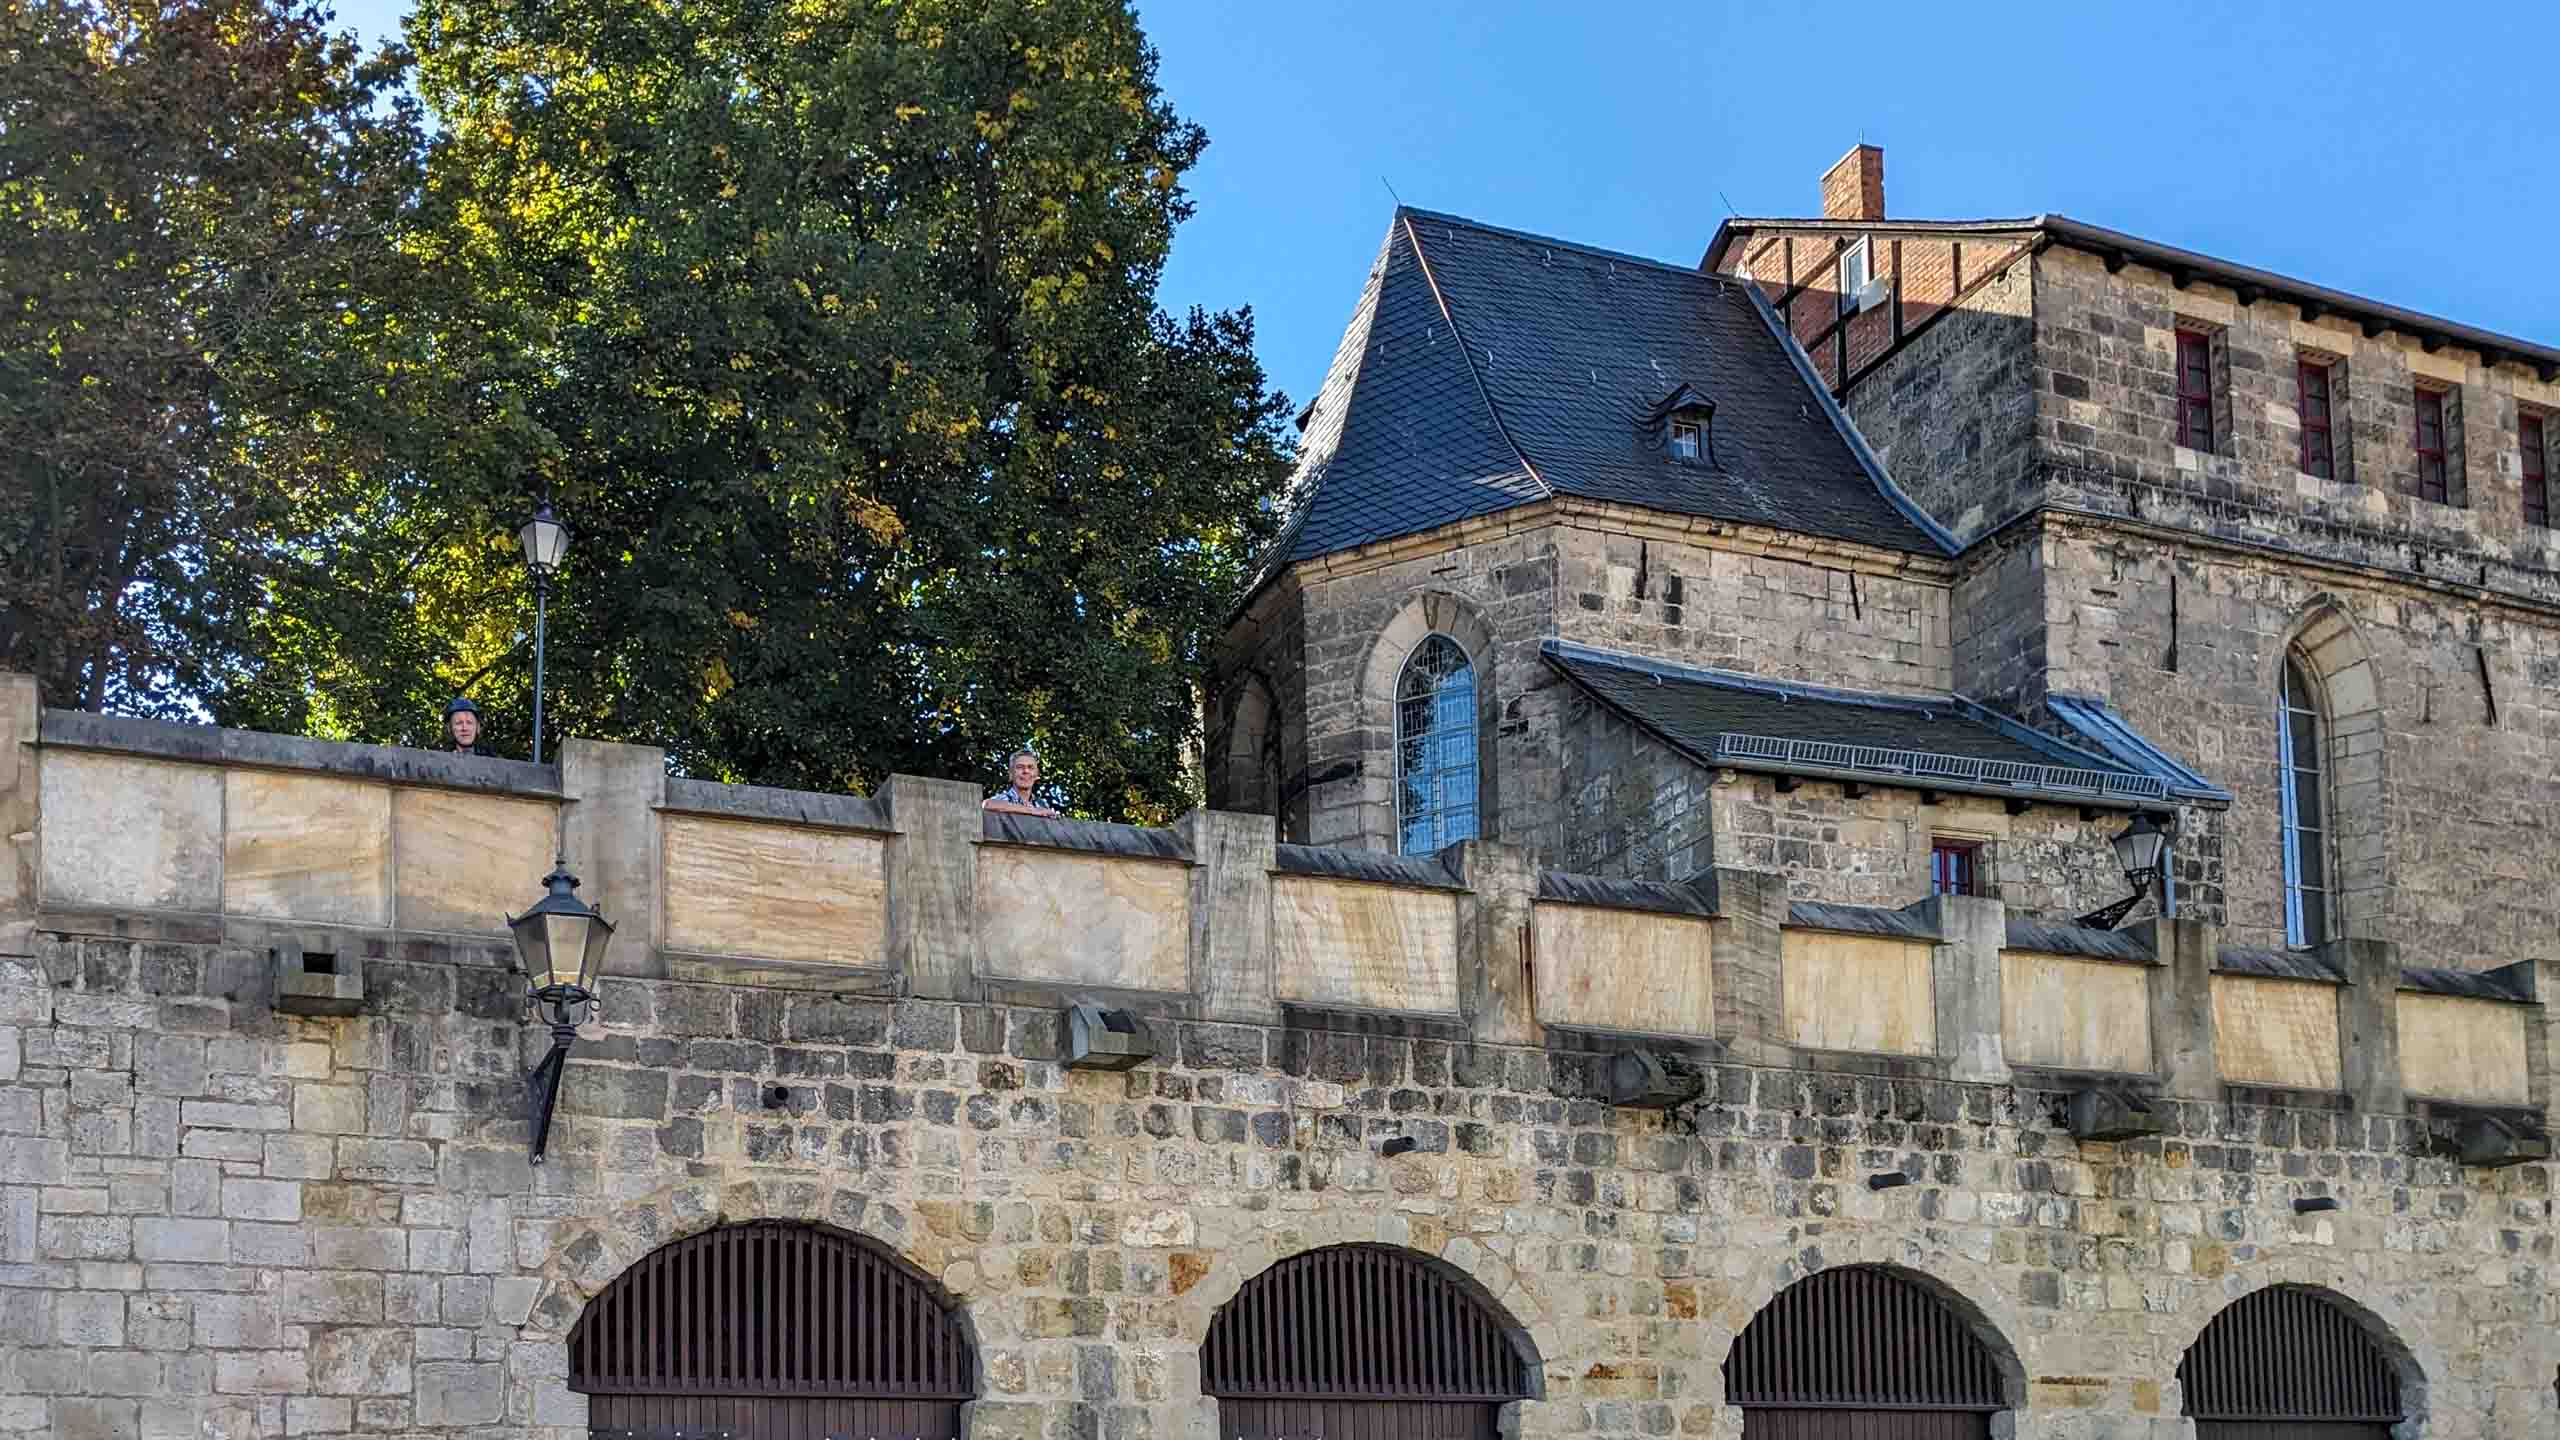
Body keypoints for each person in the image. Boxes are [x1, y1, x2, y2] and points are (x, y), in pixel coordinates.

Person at [981, 749, 1060, 817]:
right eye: (1020, 767)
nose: (1026, 771)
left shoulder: (1042, 805)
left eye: (1030, 767)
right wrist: (1032, 811)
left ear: (1037, 775)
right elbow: (986, 804)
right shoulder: (1003, 799)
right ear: (1011, 774)